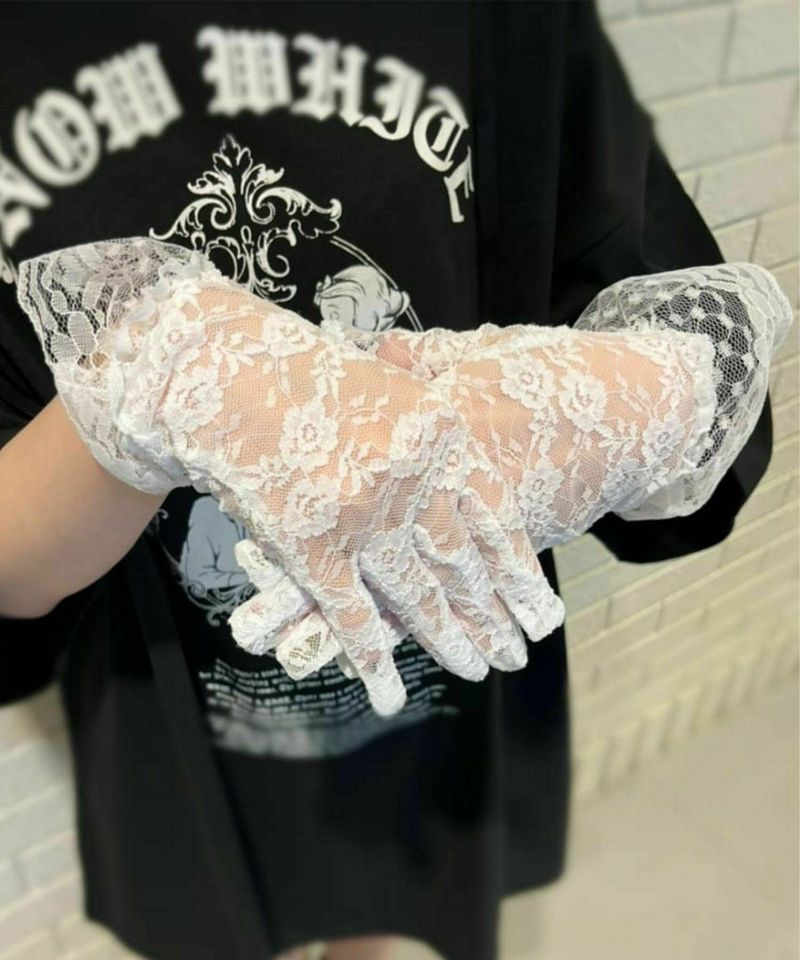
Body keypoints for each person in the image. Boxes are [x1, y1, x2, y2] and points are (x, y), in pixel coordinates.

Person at [0, 3, 783, 959]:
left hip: (444, 656)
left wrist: (612, 400)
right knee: (218, 914)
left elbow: (673, 327)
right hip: (168, 691)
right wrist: (153, 378)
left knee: (392, 901)